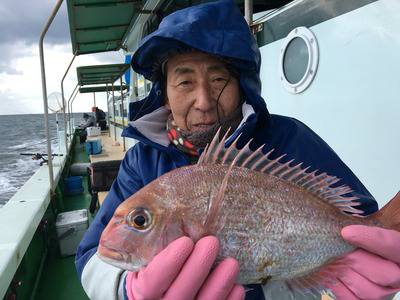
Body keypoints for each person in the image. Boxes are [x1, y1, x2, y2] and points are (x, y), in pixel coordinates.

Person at [75, 1, 400, 299]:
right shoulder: (141, 160)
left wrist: (371, 275)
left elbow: (360, 224)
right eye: (185, 82)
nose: (203, 102)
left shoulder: (289, 138)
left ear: (241, 86)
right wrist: (126, 291)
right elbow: (93, 254)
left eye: (218, 80)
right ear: (164, 94)